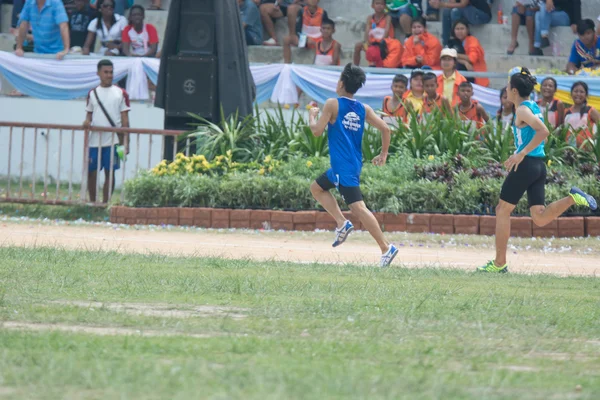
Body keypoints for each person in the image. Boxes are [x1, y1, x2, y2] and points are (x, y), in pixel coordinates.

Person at [478, 67, 597, 273]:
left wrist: (521, 153)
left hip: (526, 165)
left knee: (502, 210)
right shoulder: (532, 105)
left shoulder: (523, 110)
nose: (505, 90)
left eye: (508, 87)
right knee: (539, 217)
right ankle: (572, 198)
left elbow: (544, 132)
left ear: (514, 90)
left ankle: (499, 263)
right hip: (538, 166)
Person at [308, 63, 399, 268]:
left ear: (341, 82)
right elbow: (386, 129)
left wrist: (312, 115)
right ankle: (342, 223)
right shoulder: (363, 108)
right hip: (351, 164)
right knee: (317, 188)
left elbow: (316, 131)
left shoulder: (332, 104)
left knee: (358, 207)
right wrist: (383, 154)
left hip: (343, 167)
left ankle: (386, 248)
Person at [84, 59, 130, 204]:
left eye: (111, 72)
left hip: (114, 141)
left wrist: (126, 142)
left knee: (110, 173)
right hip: (94, 141)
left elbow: (125, 120)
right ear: (98, 73)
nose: (109, 75)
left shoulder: (121, 93)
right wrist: (86, 122)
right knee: (91, 173)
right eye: (106, 72)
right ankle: (92, 202)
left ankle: (105, 202)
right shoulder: (92, 93)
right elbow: (89, 116)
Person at [353, 0, 394, 66]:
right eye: (377, 3)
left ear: (385, 6)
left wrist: (381, 43)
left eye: (381, 4)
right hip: (371, 43)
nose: (379, 6)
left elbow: (386, 31)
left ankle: (375, 64)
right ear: (372, 6)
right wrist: (367, 42)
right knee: (358, 45)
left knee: (376, 50)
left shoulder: (387, 17)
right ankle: (355, 67)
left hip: (384, 44)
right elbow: (367, 31)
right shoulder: (370, 18)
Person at [450, 19, 489, 87]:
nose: (459, 31)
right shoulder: (453, 42)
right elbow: (448, 57)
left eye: (462, 28)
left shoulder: (472, 40)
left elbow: (472, 58)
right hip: (461, 78)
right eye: (457, 29)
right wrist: (465, 62)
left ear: (467, 30)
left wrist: (454, 54)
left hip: (477, 79)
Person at [564, 81, 600, 147]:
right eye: (576, 91)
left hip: (587, 152)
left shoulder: (591, 110)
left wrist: (592, 140)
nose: (578, 94)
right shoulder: (566, 112)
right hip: (570, 150)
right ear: (571, 94)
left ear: (586, 95)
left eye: (581, 92)